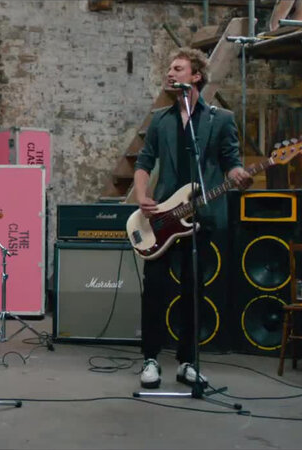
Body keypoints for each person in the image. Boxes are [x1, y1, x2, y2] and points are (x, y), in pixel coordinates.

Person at [133, 48, 251, 389]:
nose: (170, 73)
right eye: (169, 69)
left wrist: (239, 175)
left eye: (178, 68)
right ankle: (151, 359)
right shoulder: (160, 120)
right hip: (164, 218)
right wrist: (142, 195)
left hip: (201, 217)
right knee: (155, 288)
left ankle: (187, 361)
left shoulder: (220, 119)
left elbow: (231, 161)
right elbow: (144, 161)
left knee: (194, 291)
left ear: (196, 76)